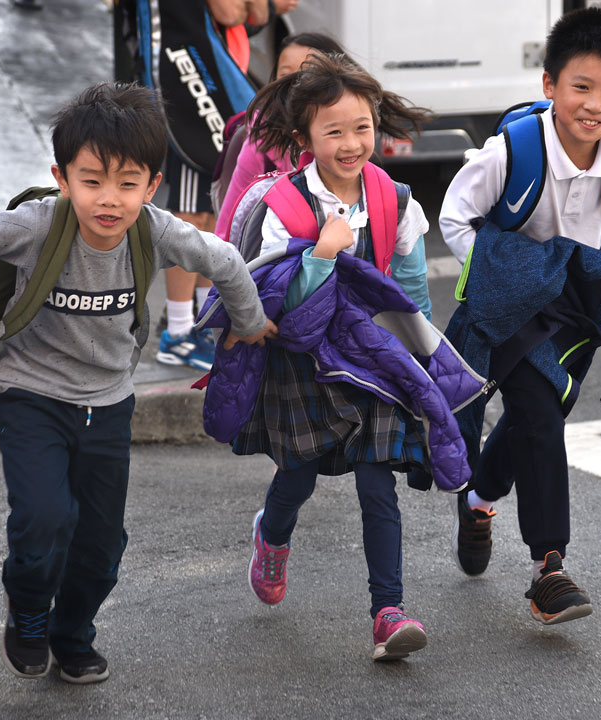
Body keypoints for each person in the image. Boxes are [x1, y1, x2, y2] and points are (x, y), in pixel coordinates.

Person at [0, 82, 276, 684]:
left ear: (152, 186)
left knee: (100, 547)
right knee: (43, 520)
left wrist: (249, 327)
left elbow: (224, 262)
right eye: (91, 180)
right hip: (31, 396)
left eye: (128, 184)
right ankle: (29, 611)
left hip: (110, 404)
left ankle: (73, 635)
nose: (109, 200)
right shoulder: (34, 227)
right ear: (62, 177)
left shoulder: (157, 230)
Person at [438, 8, 601, 625]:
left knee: (540, 414)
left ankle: (477, 496)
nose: (596, 104)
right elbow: (453, 215)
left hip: (579, 306)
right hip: (509, 306)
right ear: (549, 85)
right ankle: (548, 569)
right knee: (538, 416)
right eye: (581, 87)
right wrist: (503, 273)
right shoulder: (512, 151)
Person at [212, 52, 460, 662]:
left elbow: (408, 293)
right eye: (335, 131)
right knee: (297, 474)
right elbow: (278, 303)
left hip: (372, 359)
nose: (352, 144)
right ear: (303, 139)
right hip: (301, 357)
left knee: (379, 484)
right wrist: (320, 256)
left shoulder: (397, 201)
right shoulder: (282, 207)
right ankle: (271, 537)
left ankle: (388, 612)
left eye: (362, 128)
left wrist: (419, 356)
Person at [151, 0, 269, 372]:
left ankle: (201, 321)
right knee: (190, 219)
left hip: (210, 95)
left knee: (210, 218)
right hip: (193, 97)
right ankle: (179, 332)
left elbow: (255, 17)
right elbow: (232, 11)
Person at [213, 32, 347, 231]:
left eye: (309, 75)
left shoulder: (349, 132)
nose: (297, 85)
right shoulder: (261, 141)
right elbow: (230, 223)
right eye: (286, 76)